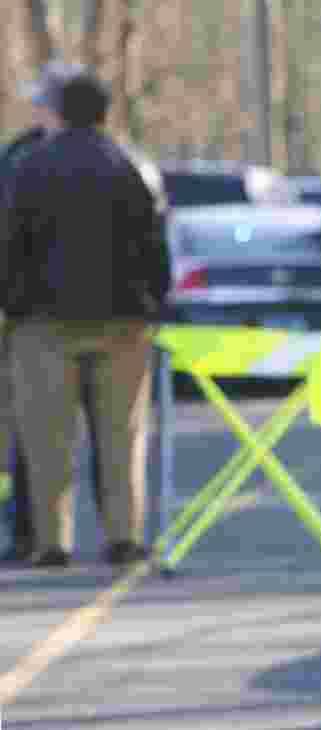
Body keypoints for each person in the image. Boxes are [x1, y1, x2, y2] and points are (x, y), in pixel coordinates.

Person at [0, 68, 171, 569]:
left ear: (55, 111)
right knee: (123, 436)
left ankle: (52, 542)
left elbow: (9, 245)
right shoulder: (132, 166)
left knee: (47, 439)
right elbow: (155, 246)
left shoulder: (27, 168)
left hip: (45, 323)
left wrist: (12, 305)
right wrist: (153, 303)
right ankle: (124, 536)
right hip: (125, 323)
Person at [0, 59, 87, 564]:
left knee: (35, 433)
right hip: (100, 316)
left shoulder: (21, 159)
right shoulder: (121, 160)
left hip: (35, 318)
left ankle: (36, 535)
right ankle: (44, 532)